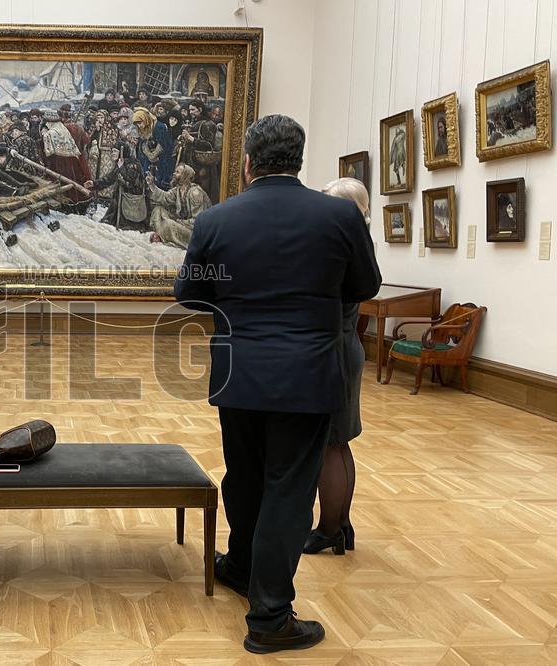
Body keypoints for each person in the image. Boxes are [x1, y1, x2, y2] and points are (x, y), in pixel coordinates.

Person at [174, 115, 381, 654]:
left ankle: (242, 568)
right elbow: (365, 285)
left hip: (238, 371)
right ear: (299, 160)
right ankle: (269, 615)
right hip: (307, 375)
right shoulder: (337, 216)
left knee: (243, 477)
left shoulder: (217, 219)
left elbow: (190, 294)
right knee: (288, 490)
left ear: (246, 163)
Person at [303, 177, 371, 557]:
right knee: (338, 443)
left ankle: (330, 527)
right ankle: (340, 524)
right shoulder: (357, 243)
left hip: (334, 352)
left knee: (331, 445)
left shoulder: (341, 245)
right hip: (344, 348)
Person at [147, 163, 211, 248]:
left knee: (168, 223)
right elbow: (165, 197)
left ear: (185, 176)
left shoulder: (195, 193)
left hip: (194, 232)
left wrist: (179, 222)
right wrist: (152, 185)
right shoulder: (177, 190)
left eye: (177, 172)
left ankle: (161, 236)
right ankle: (160, 235)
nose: (174, 174)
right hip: (182, 224)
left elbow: (198, 221)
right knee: (158, 210)